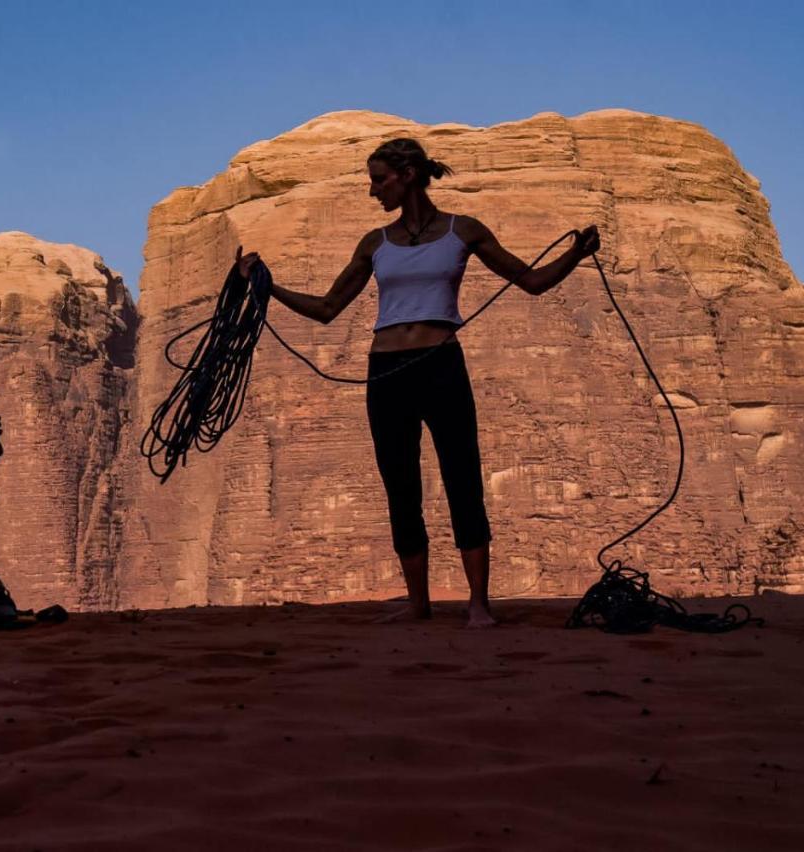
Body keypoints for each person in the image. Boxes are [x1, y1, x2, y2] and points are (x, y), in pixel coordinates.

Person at [235, 137, 599, 628]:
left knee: (462, 478)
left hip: (442, 363)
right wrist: (266, 285)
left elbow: (530, 281)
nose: (372, 191)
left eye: (379, 180)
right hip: (386, 373)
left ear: (407, 175)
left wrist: (576, 253)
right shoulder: (374, 243)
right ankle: (419, 604)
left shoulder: (463, 231)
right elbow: (326, 309)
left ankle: (478, 605)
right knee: (400, 486)